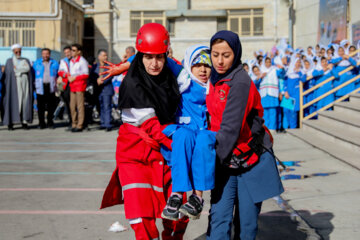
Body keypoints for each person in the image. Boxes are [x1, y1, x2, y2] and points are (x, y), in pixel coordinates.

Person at [100, 23, 188, 240]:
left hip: (165, 152)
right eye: (148, 57)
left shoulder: (171, 74)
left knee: (179, 210)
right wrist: (187, 147)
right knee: (142, 216)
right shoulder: (133, 83)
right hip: (137, 153)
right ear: (140, 55)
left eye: (159, 56)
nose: (155, 63)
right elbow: (153, 129)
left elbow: (194, 80)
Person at [205, 30, 283, 240]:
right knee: (219, 219)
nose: (219, 61)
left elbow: (230, 130)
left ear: (236, 53)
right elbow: (175, 63)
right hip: (225, 160)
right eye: (215, 54)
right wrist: (133, 62)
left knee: (246, 226)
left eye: (226, 55)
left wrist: (205, 167)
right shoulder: (214, 76)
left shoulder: (239, 83)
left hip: (249, 160)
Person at [161, 45, 216, 220]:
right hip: (184, 130)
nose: (203, 70)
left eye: (207, 66)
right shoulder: (184, 77)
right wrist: (125, 64)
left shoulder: (216, 86)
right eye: (198, 65)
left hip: (204, 134)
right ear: (189, 65)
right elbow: (151, 57)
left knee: (203, 139)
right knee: (182, 136)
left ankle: (197, 197)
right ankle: (176, 195)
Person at [1, 44, 33, 130]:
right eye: (16, 51)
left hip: (25, 83)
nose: (18, 53)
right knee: (13, 102)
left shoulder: (25, 60)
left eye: (19, 51)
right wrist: (22, 69)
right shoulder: (9, 61)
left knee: (25, 102)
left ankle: (24, 122)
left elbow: (27, 69)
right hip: (13, 85)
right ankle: (10, 123)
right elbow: (9, 73)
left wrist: (18, 69)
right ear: (13, 52)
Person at [33, 48, 59, 129]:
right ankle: (41, 123)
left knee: (51, 106)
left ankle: (50, 122)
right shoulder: (36, 63)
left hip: (51, 87)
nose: (45, 55)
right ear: (42, 54)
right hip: (40, 87)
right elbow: (33, 75)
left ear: (49, 54)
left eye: (47, 54)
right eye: (44, 54)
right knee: (41, 106)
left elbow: (58, 75)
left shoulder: (54, 63)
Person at [68, 43, 89, 132]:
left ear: (79, 52)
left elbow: (86, 74)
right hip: (72, 86)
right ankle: (74, 123)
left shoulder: (82, 61)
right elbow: (71, 72)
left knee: (80, 106)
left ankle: (80, 125)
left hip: (80, 86)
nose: (72, 52)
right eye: (71, 50)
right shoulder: (71, 61)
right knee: (72, 106)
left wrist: (75, 77)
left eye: (74, 50)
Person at [94, 49, 114, 131]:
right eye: (103, 55)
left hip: (107, 89)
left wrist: (101, 81)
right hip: (98, 90)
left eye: (106, 55)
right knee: (100, 107)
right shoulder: (95, 66)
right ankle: (102, 123)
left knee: (107, 107)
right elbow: (92, 75)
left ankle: (108, 124)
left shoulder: (109, 65)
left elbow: (111, 75)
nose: (105, 57)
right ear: (99, 57)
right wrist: (96, 80)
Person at [283, 58, 306, 128]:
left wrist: (298, 72)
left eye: (299, 62)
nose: (298, 64)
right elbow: (285, 83)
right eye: (297, 62)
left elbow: (304, 79)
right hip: (288, 94)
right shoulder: (289, 72)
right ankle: (287, 127)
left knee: (293, 112)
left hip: (296, 94)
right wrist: (285, 91)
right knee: (286, 111)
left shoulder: (302, 71)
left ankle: (293, 127)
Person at [58, 45, 73, 128]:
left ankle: (76, 121)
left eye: (68, 52)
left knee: (74, 104)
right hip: (66, 85)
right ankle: (71, 120)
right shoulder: (63, 61)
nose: (67, 54)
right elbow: (60, 72)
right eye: (65, 53)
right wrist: (66, 74)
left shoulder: (75, 60)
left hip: (74, 84)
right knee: (67, 103)